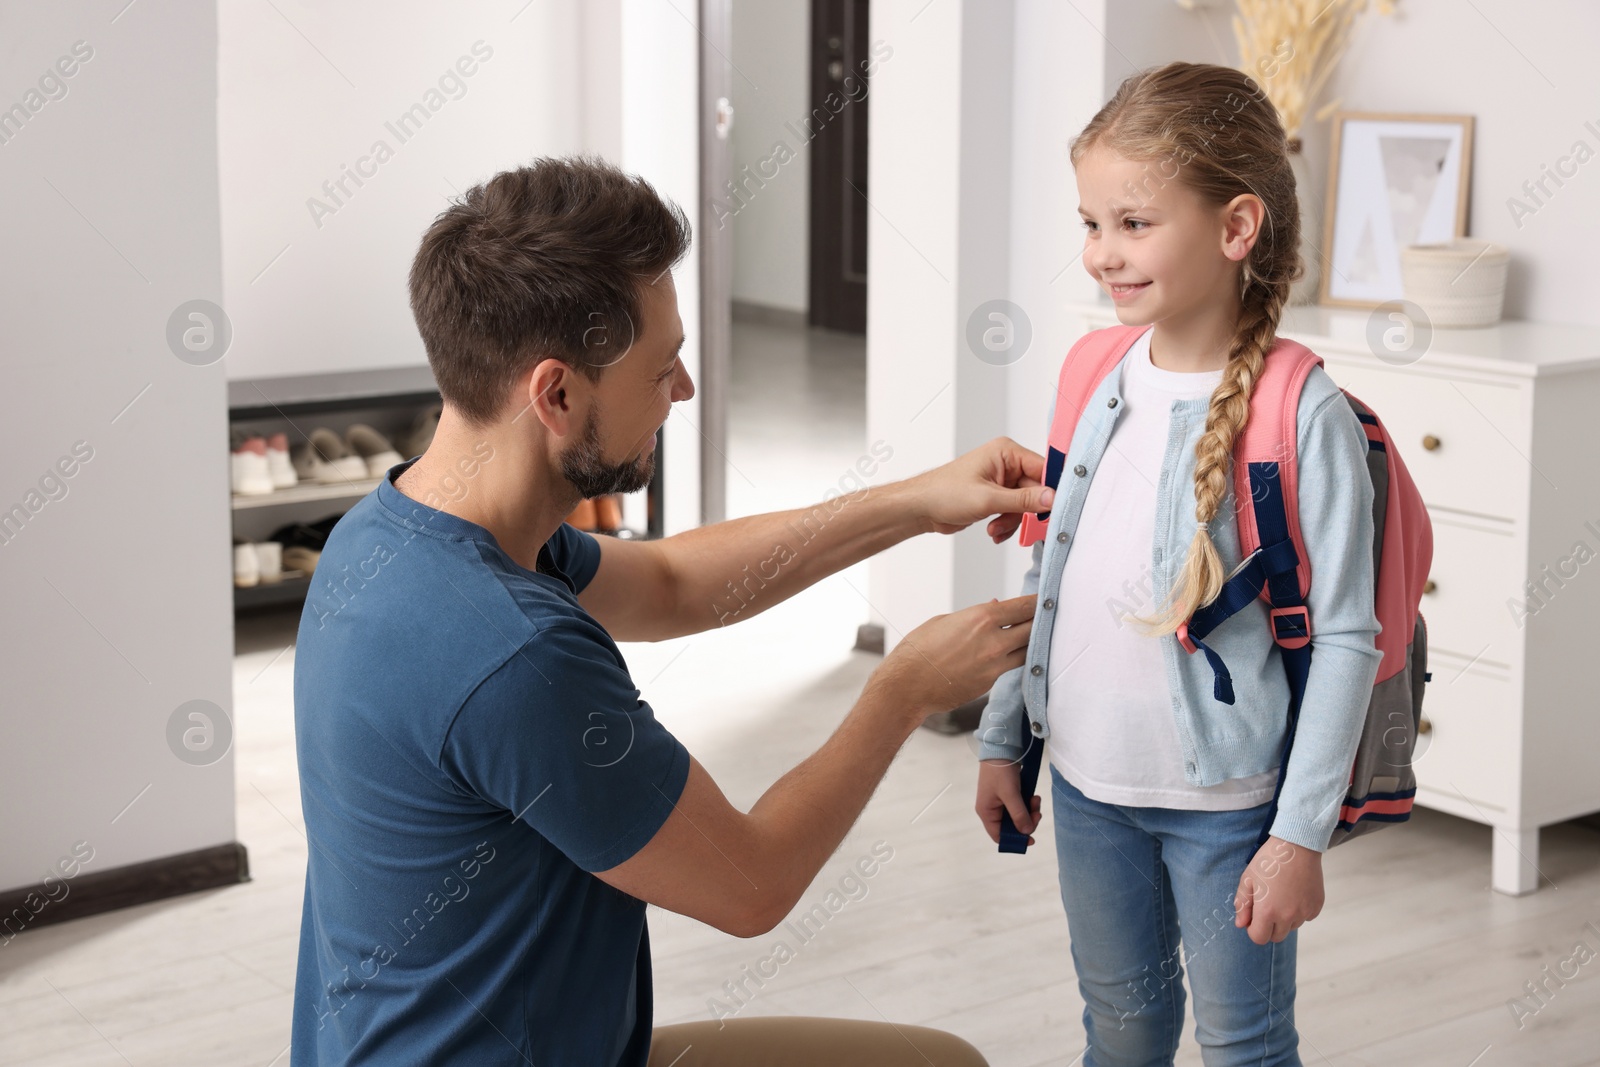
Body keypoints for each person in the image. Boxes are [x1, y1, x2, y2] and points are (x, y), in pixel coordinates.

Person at [289, 155, 1049, 1066]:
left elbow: (673, 585)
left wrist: (916, 500)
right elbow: (752, 882)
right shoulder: (513, 655)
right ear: (557, 394)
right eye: (662, 366)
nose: (683, 388)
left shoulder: (386, 537)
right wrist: (904, 689)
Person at [972, 62, 1383, 1066]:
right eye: (1091, 222)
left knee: (1242, 1044)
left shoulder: (1301, 411)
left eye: (1133, 223)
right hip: (1087, 785)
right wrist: (1002, 731)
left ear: (1236, 227)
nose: (1101, 254)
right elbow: (1048, 573)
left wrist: (1298, 835)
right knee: (1118, 1027)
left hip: (1228, 807)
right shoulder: (1089, 372)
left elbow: (1344, 637)